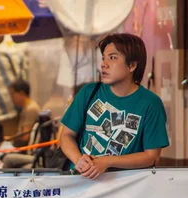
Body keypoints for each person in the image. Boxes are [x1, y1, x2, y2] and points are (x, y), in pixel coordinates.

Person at [59, 33, 169, 179]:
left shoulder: (150, 103)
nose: (104, 64)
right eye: (104, 58)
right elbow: (66, 135)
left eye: (112, 58)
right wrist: (78, 159)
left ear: (132, 65)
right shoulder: (89, 92)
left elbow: (152, 156)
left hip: (122, 189)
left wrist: (108, 162)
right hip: (80, 184)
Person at [2, 79, 42, 168]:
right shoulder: (27, 108)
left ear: (21, 93)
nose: (11, 97)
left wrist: (8, 139)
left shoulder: (30, 109)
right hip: (25, 149)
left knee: (6, 158)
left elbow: (25, 137)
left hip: (28, 152)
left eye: (12, 94)